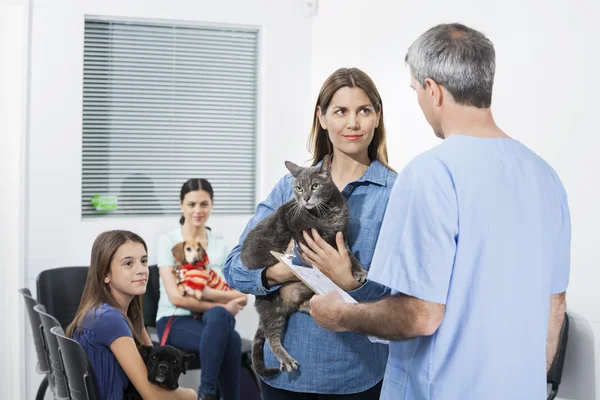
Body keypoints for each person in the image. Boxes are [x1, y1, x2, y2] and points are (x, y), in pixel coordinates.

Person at [308, 23, 570, 400]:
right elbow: (555, 303)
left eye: (416, 90)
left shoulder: (431, 173)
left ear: (433, 90)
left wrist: (342, 315)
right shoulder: (546, 177)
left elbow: (421, 315)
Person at [224, 67, 398, 399]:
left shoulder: (396, 193)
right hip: (287, 378)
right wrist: (284, 271)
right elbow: (234, 268)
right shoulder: (288, 189)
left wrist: (350, 281)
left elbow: (405, 298)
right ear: (322, 117)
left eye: (364, 110)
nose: (353, 123)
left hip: (358, 376)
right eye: (340, 111)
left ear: (377, 117)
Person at [66, 230, 197, 400]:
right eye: (128, 263)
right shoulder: (110, 319)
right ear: (105, 274)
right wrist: (192, 395)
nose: (141, 270)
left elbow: (152, 368)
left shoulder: (122, 313)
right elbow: (154, 396)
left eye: (143, 261)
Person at [156, 178, 248, 400]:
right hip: (175, 320)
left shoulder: (219, 242)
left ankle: (206, 394)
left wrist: (209, 295)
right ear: (181, 205)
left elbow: (242, 294)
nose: (198, 210)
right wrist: (222, 304)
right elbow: (176, 298)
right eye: (191, 204)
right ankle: (208, 393)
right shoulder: (168, 241)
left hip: (212, 320)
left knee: (218, 318)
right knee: (231, 339)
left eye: (204, 204)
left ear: (212, 205)